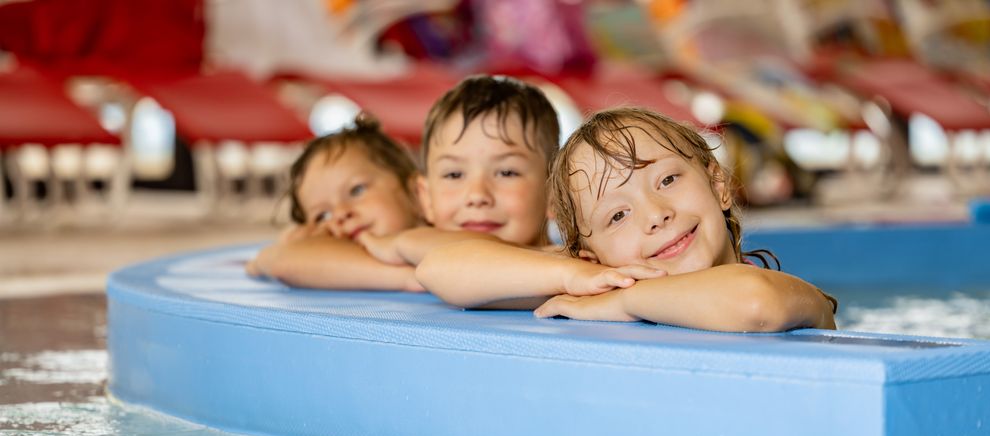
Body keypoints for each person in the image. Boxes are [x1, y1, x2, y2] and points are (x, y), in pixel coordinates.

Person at [417, 107, 837, 332]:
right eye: (617, 214)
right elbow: (442, 269)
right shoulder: (602, 279)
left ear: (719, 185)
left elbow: (753, 302)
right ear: (593, 255)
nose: (656, 215)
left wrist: (622, 302)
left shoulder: (786, 294)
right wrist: (573, 276)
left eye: (668, 179)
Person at [358, 74, 562, 264]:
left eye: (506, 173)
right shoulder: (400, 255)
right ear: (426, 197)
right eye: (454, 174)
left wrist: (405, 245)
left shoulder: (580, 270)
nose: (477, 195)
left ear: (555, 194)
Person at [244, 115, 430, 290]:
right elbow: (281, 260)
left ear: (416, 192)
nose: (341, 213)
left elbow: (276, 261)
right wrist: (406, 278)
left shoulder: (444, 230)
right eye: (323, 215)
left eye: (356, 190)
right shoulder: (340, 247)